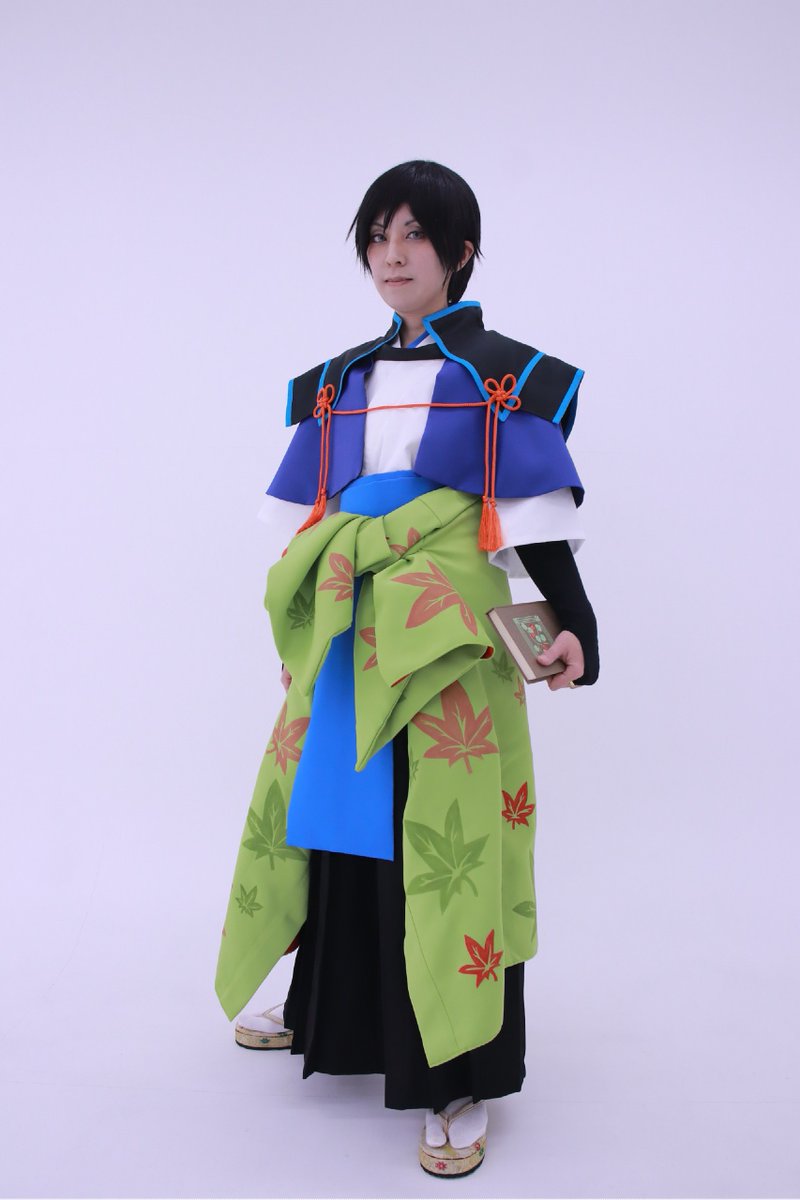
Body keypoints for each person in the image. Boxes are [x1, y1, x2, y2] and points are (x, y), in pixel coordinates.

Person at [214, 160, 599, 1179]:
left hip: (447, 636)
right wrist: (311, 618)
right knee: (340, 817)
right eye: (378, 235)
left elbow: (528, 515)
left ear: (459, 252)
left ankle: (457, 1073)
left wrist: (576, 623)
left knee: (443, 836)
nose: (392, 253)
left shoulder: (503, 375)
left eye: (414, 234)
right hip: (351, 628)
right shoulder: (338, 379)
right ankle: (324, 1009)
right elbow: (311, 514)